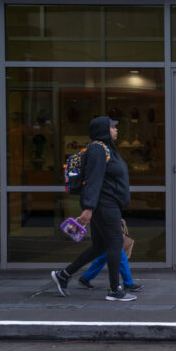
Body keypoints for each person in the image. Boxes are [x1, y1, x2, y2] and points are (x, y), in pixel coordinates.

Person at [50, 116, 136, 301]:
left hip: (106, 204)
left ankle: (63, 275)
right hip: (103, 204)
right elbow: (93, 180)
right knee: (114, 244)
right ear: (104, 130)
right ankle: (115, 289)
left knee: (100, 246)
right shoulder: (98, 149)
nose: (116, 129)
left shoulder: (106, 149)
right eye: (113, 127)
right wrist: (88, 208)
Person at [77, 243, 142, 292]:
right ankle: (128, 283)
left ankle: (85, 278)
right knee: (120, 256)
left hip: (107, 234)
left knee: (103, 257)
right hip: (110, 233)